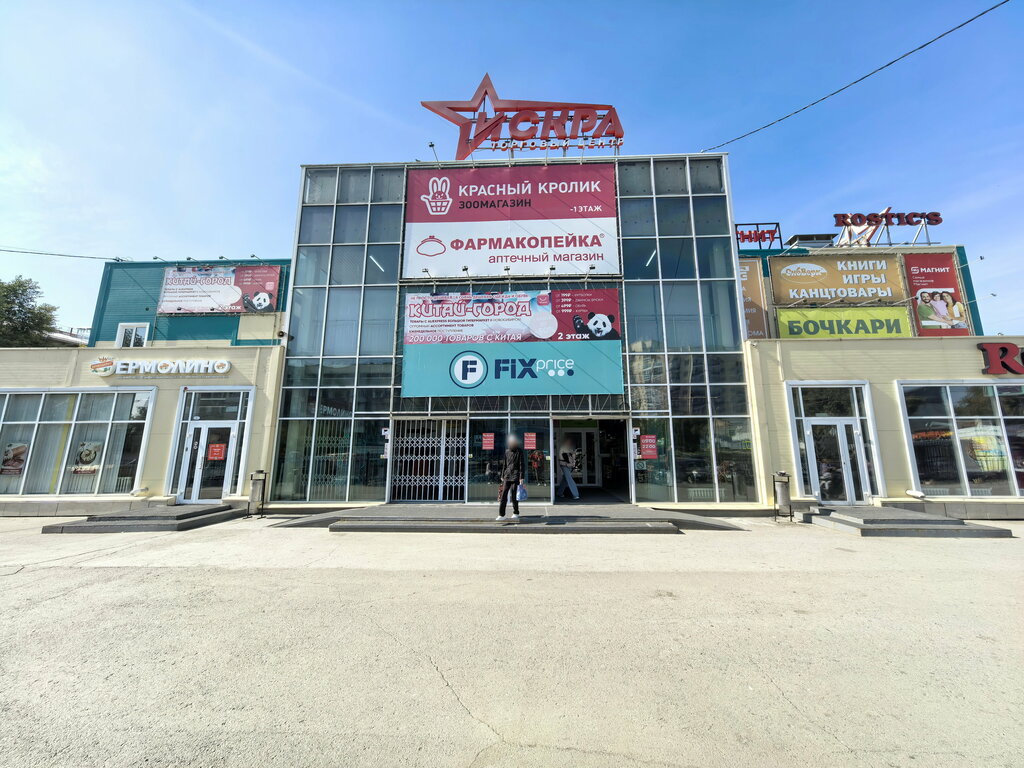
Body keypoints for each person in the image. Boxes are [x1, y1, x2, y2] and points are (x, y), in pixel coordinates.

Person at [496, 434, 525, 522]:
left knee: (514, 495)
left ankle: (516, 512)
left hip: (516, 476)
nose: (512, 443)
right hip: (507, 475)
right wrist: (502, 475)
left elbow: (522, 465)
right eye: (511, 441)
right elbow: (504, 464)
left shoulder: (519, 451)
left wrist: (521, 477)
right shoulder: (507, 451)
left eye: (514, 441)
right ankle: (501, 514)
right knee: (503, 495)